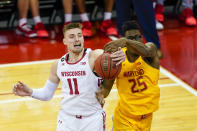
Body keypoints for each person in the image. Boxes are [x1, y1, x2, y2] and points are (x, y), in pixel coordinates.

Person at [13, 23, 125, 131]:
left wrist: (118, 56)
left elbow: (109, 57)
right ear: (64, 41)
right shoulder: (58, 65)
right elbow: (47, 94)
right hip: (66, 120)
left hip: (92, 120)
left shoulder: (94, 56)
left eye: (79, 35)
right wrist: (30, 92)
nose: (77, 39)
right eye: (72, 37)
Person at [96, 21, 160, 131]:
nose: (135, 40)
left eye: (138, 37)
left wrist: (127, 41)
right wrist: (101, 94)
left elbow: (148, 51)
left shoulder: (150, 52)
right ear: (123, 42)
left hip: (147, 118)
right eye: (131, 38)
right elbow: (106, 88)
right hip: (124, 118)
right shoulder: (117, 59)